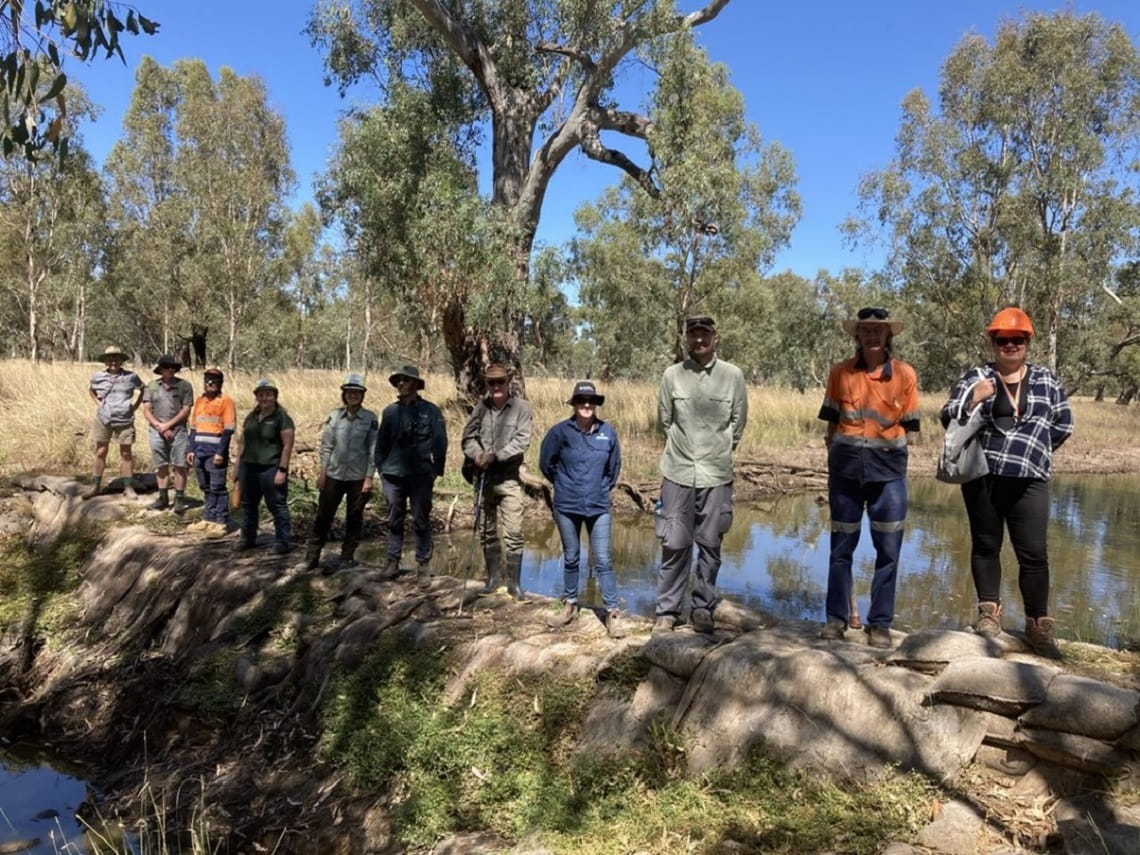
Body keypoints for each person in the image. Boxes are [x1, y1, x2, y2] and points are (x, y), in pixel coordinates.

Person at [941, 307, 1073, 659]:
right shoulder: (977, 377)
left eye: (1018, 339)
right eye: (1003, 339)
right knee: (986, 546)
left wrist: (1033, 452)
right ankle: (989, 615)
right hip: (983, 477)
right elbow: (947, 415)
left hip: (1031, 480)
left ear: (1028, 342)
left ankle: (1038, 625)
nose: (1010, 345)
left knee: (1034, 555)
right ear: (993, 342)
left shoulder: (1046, 380)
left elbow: (1063, 424)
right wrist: (974, 398)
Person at [818, 307, 920, 650]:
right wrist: (832, 462)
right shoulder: (840, 373)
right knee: (840, 549)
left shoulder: (905, 375)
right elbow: (831, 424)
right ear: (857, 335)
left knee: (888, 551)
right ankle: (836, 619)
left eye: (878, 331)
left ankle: (880, 624)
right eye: (865, 331)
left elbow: (910, 427)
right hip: (846, 472)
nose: (872, 336)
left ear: (887, 335)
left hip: (888, 475)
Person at [654, 317, 748, 634]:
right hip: (678, 471)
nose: (699, 340)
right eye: (693, 335)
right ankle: (667, 611)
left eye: (704, 334)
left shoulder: (733, 376)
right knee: (674, 544)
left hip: (716, 474)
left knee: (710, 544)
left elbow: (738, 422)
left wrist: (717, 450)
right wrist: (684, 449)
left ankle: (702, 607)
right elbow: (664, 422)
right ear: (686, 339)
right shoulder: (672, 375)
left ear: (715, 338)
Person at [540, 380, 626, 638]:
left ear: (595, 404)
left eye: (590, 401)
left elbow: (614, 469)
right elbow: (546, 463)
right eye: (581, 401)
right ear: (575, 404)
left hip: (599, 506)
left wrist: (599, 488)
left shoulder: (608, 433)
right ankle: (570, 606)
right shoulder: (559, 432)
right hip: (567, 505)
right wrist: (565, 485)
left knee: (603, 560)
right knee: (571, 557)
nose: (586, 405)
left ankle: (612, 614)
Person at [461, 362, 534, 601]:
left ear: (508, 382)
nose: (496, 386)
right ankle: (493, 579)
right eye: (491, 383)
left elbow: (522, 441)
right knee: (486, 530)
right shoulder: (481, 408)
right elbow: (468, 437)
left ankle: (514, 584)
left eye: (500, 382)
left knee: (514, 531)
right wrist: (477, 455)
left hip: (509, 479)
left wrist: (496, 456)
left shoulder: (522, 408)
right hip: (483, 478)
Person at [375, 365, 447, 585]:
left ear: (416, 384)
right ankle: (392, 561)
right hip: (393, 474)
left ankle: (423, 566)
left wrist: (436, 470)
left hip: (420, 475)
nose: (401, 384)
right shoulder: (390, 412)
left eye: (406, 381)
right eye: (399, 381)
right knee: (394, 519)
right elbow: (381, 443)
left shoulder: (431, 411)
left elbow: (440, 441)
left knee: (421, 520)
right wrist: (381, 468)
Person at [305, 374, 379, 572]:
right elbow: (327, 446)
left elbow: (373, 450)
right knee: (323, 516)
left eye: (357, 392)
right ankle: (311, 557)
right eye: (349, 392)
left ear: (362, 395)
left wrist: (369, 477)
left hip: (358, 477)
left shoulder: (370, 418)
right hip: (334, 475)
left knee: (354, 518)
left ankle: (346, 557)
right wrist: (322, 473)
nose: (353, 396)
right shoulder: (335, 416)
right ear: (344, 395)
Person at [236, 379, 295, 554]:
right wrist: (237, 466)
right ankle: (247, 538)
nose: (265, 398)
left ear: (275, 396)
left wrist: (282, 470)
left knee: (277, 505)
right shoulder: (252, 417)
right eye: (261, 395)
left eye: (268, 394)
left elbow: (287, 446)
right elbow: (242, 443)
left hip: (271, 468)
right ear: (257, 397)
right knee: (248, 505)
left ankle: (282, 542)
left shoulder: (282, 419)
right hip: (249, 467)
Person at [85, 345, 145, 499]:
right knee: (101, 451)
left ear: (121, 361)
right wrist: (99, 404)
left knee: (126, 453)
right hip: (103, 418)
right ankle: (95, 486)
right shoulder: (98, 377)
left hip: (125, 419)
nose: (113, 362)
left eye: (116, 359)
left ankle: (128, 487)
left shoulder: (131, 377)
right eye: (110, 359)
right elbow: (91, 390)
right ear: (105, 361)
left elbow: (143, 389)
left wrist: (134, 406)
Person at [186, 367, 237, 538]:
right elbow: (193, 427)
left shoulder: (226, 401)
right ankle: (208, 519)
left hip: (215, 452)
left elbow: (229, 429)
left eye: (214, 380)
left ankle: (221, 522)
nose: (210, 383)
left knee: (218, 487)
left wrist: (221, 452)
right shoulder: (200, 401)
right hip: (199, 451)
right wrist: (191, 449)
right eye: (208, 380)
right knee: (205, 487)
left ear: (220, 383)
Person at [142, 354, 194, 514]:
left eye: (173, 367)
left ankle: (179, 499)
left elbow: (186, 410)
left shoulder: (184, 386)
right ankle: (163, 498)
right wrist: (160, 426)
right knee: (161, 465)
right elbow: (146, 409)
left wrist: (168, 425)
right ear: (161, 369)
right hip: (157, 431)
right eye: (166, 367)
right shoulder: (151, 386)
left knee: (180, 465)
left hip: (179, 431)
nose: (170, 370)